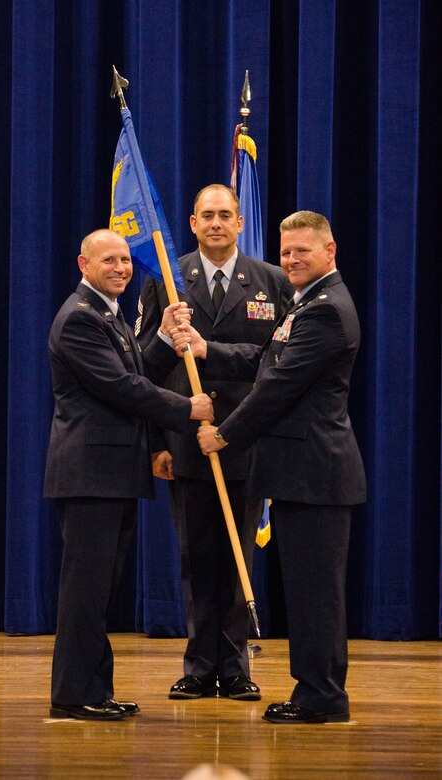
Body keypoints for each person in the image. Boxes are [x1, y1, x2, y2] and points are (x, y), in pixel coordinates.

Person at [174, 210, 366, 723]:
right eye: (285, 252)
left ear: (330, 250)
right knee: (307, 592)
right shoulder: (307, 303)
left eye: (303, 250)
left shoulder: (326, 310)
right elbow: (266, 359)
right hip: (302, 475)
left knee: (316, 595)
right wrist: (206, 348)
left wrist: (225, 434)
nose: (291, 259)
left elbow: (277, 388)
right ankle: (314, 691)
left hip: (316, 474)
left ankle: (321, 698)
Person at [44, 229, 213, 721]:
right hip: (89, 475)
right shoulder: (79, 319)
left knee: (100, 591)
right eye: (109, 260)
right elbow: (121, 388)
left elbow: (139, 370)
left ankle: (95, 688)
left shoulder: (107, 314)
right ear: (83, 263)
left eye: (125, 260)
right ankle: (74, 695)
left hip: (112, 474)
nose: (121, 268)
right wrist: (189, 408)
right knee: (85, 592)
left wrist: (162, 335)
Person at [137, 184, 292, 701]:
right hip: (186, 440)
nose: (217, 224)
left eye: (226, 215)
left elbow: (279, 364)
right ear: (193, 222)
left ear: (241, 222)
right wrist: (160, 439)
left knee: (239, 554)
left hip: (245, 440)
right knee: (196, 555)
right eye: (208, 216)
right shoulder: (166, 276)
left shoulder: (272, 282)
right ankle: (201, 664)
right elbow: (147, 367)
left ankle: (236, 666)